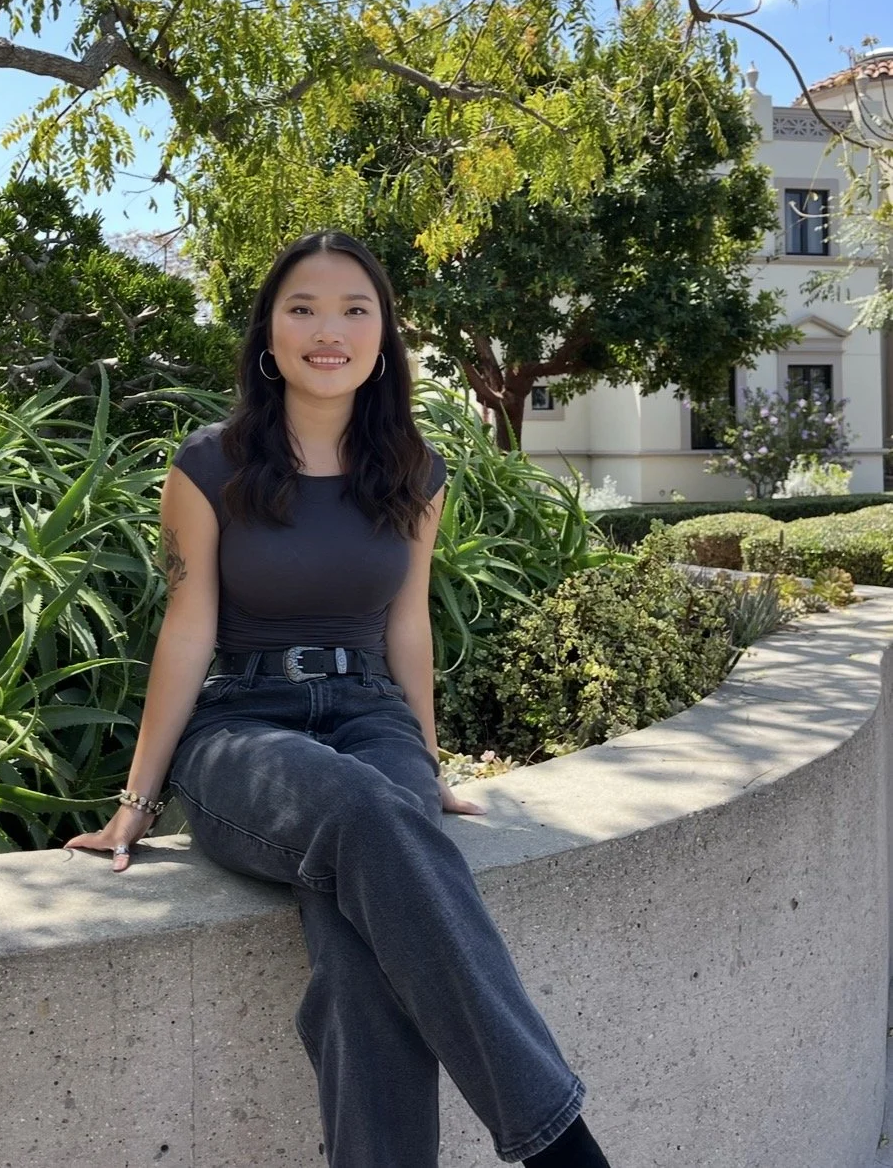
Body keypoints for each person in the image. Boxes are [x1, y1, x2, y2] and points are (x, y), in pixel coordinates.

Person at [64, 230, 612, 1167]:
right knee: (366, 810)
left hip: (370, 714)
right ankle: (562, 1144)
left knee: (362, 949)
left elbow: (408, 624)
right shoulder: (208, 465)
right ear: (268, 335)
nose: (330, 330)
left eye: (355, 310)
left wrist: (426, 763)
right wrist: (136, 800)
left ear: (383, 336)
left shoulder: (415, 469)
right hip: (244, 726)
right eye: (303, 309)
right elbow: (187, 630)